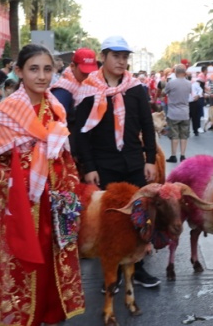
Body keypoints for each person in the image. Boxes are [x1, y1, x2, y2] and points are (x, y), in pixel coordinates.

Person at [0, 44, 85, 326]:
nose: (41, 76)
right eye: (33, 69)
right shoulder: (6, 112)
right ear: (19, 72)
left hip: (55, 204)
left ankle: (51, 316)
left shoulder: (56, 109)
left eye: (47, 69)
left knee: (53, 264)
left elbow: (65, 157)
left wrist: (70, 189)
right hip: (22, 207)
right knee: (22, 268)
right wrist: (26, 184)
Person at [73, 35, 160, 288]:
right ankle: (113, 272)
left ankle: (139, 266)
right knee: (110, 219)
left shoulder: (135, 89)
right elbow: (82, 133)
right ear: (103, 57)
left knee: (141, 214)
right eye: (116, 56)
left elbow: (147, 125)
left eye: (125, 57)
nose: (121, 62)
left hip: (134, 162)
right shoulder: (88, 90)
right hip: (103, 165)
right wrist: (89, 167)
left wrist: (150, 159)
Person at [50, 47, 98, 151]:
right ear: (72, 66)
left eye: (90, 73)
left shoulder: (93, 87)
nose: (88, 77)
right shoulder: (63, 91)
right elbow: (56, 123)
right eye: (84, 73)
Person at [164, 65, 192, 163]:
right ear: (184, 73)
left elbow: (164, 92)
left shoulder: (171, 83)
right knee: (184, 135)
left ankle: (173, 155)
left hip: (173, 113)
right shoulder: (189, 83)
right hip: (185, 113)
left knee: (174, 135)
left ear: (175, 73)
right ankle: (183, 155)